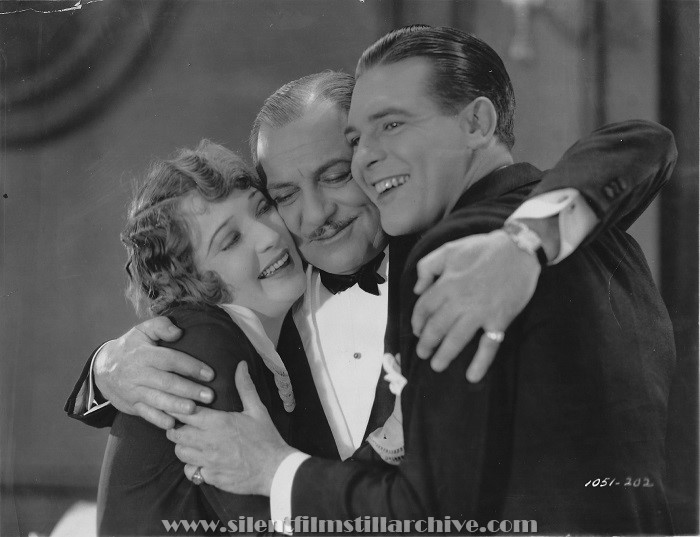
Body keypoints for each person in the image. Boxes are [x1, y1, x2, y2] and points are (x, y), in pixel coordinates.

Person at [167, 26, 677, 534]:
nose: (316, 214)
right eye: (284, 195)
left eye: (337, 173)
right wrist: (104, 372)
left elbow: (431, 510)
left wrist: (273, 472)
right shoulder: (591, 233)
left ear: (476, 121)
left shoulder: (472, 248)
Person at [95, 141, 307, 535]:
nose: (268, 237)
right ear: (187, 278)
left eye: (262, 207)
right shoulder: (203, 341)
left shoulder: (229, 330)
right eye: (230, 241)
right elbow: (259, 523)